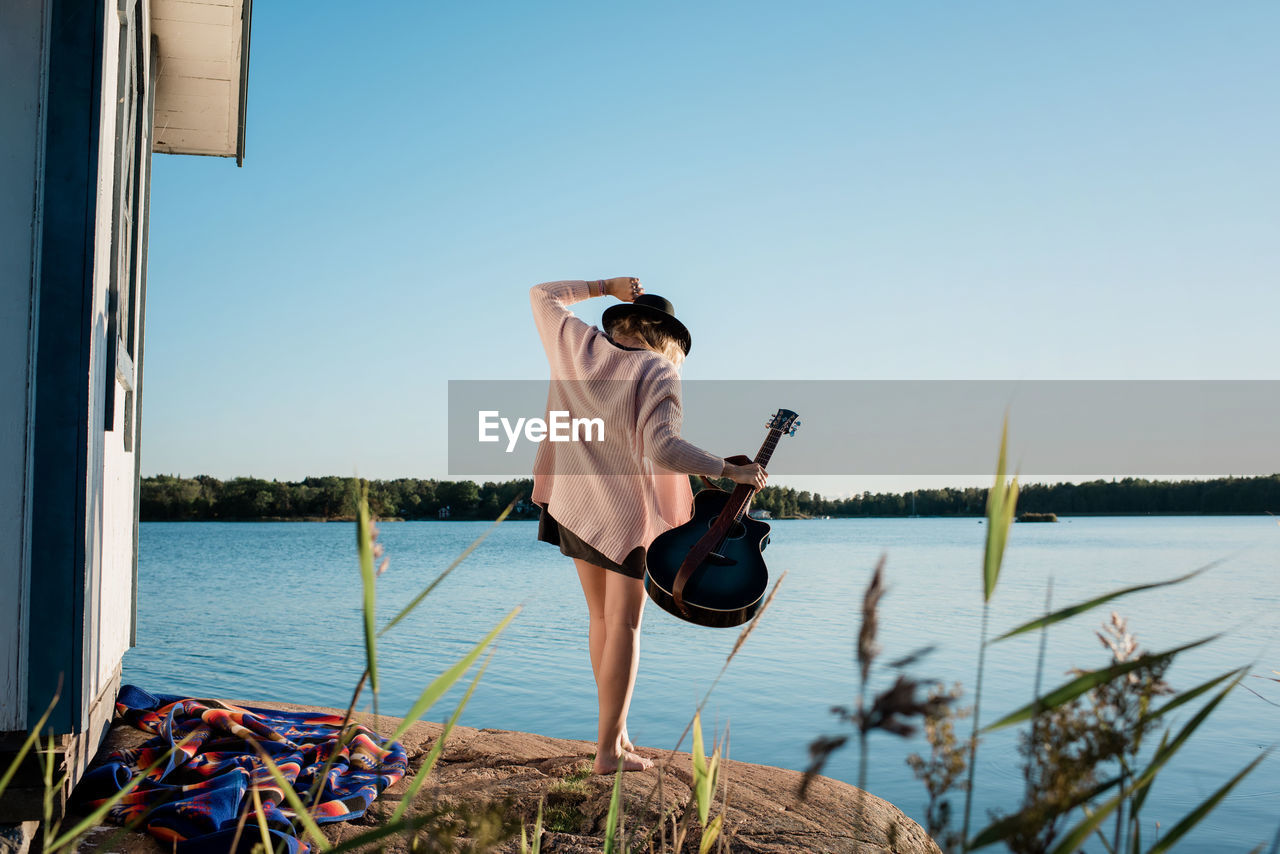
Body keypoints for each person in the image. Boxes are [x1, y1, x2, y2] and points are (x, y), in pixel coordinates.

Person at [529, 277, 767, 774]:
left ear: (622, 322)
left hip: (573, 502)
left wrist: (606, 285)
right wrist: (730, 470)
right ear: (669, 338)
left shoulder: (576, 343)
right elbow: (661, 448)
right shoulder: (657, 370)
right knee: (625, 625)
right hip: (621, 514)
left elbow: (541, 294)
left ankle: (614, 734)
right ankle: (609, 754)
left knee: (601, 620)